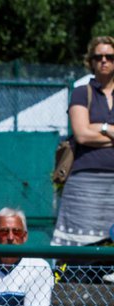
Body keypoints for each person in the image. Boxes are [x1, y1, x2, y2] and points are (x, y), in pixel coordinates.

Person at [51, 36, 114, 259]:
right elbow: (82, 134)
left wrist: (98, 128)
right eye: (98, 57)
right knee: (77, 250)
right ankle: (70, 288)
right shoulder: (80, 92)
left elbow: (90, 132)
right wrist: (110, 129)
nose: (104, 61)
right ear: (91, 61)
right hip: (84, 180)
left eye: (110, 57)